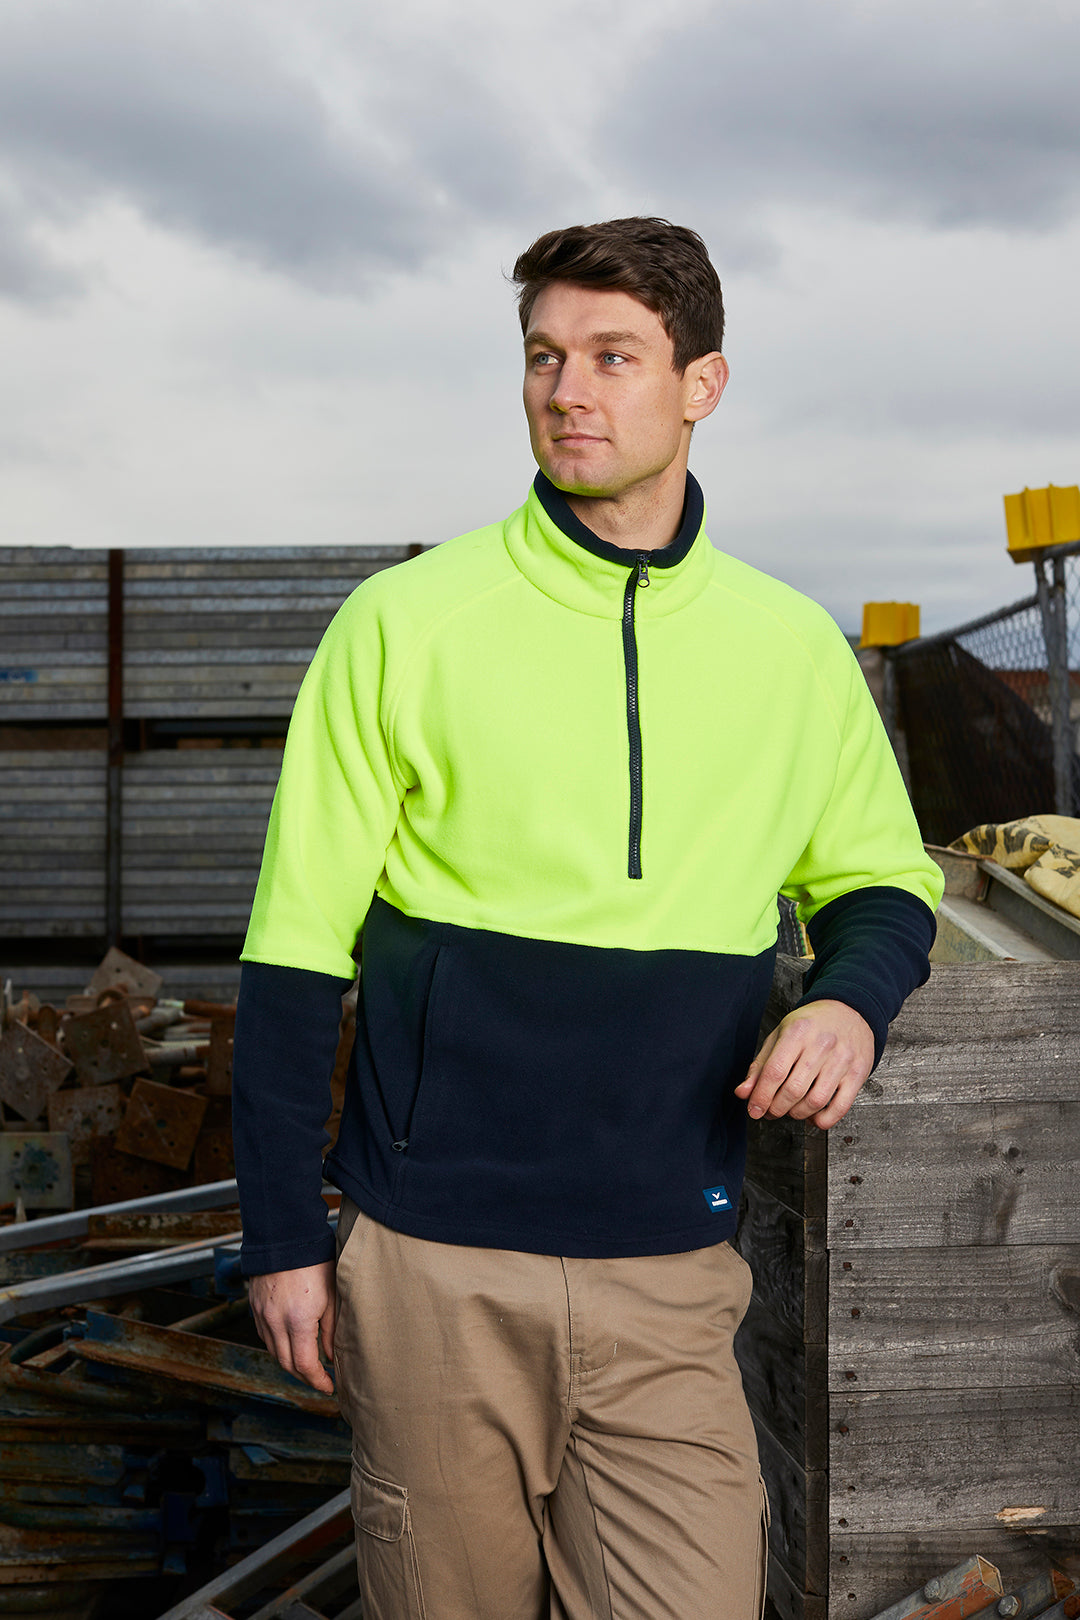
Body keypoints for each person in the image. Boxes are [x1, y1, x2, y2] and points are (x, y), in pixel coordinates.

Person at [232, 217, 942, 1620]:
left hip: (671, 1269)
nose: (568, 391)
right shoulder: (404, 623)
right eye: (544, 356)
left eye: (614, 357)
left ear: (701, 384)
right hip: (434, 1266)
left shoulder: (792, 650)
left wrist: (850, 1001)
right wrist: (280, 1236)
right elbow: (296, 950)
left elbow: (880, 880)